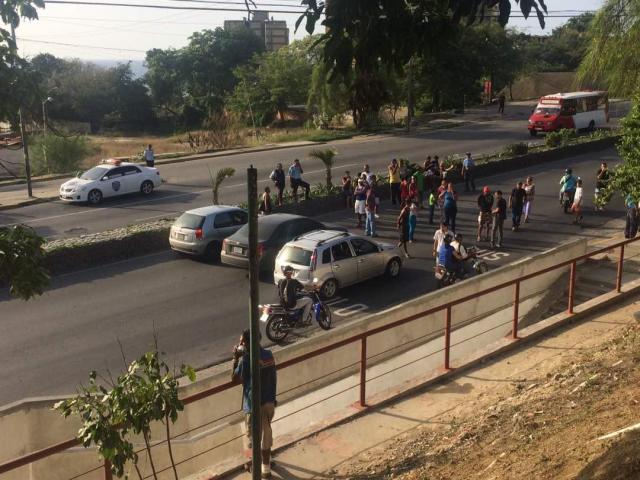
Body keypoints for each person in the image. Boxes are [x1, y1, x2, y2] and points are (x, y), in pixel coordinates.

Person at [231, 329, 277, 479]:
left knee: (255, 439)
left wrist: (235, 358)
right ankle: (266, 467)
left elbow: (234, 378)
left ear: (246, 343)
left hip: (253, 406)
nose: (240, 344)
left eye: (242, 342)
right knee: (267, 435)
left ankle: (257, 468)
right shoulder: (269, 355)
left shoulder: (246, 360)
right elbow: (273, 378)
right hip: (269, 402)